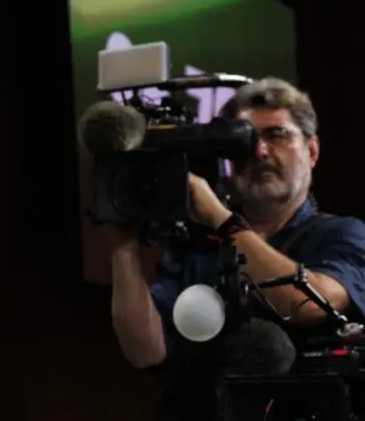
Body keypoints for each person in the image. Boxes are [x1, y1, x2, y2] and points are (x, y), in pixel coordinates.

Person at [103, 77, 365, 421]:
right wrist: (122, 247)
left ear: (312, 151)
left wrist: (222, 221)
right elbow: (145, 352)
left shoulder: (342, 234)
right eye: (245, 141)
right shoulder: (197, 247)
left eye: (277, 135)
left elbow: (309, 305)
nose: (259, 152)